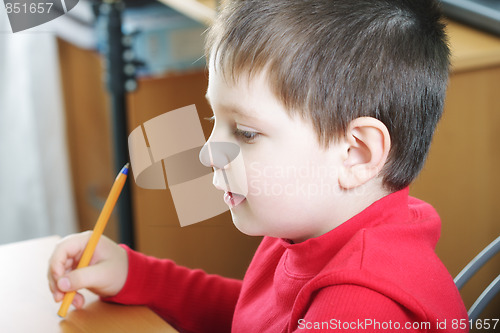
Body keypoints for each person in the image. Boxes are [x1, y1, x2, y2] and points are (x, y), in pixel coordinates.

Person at [48, 0, 469, 331]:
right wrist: (135, 275)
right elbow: (255, 318)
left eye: (246, 132)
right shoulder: (311, 223)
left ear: (356, 153)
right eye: (216, 120)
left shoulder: (362, 306)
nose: (208, 151)